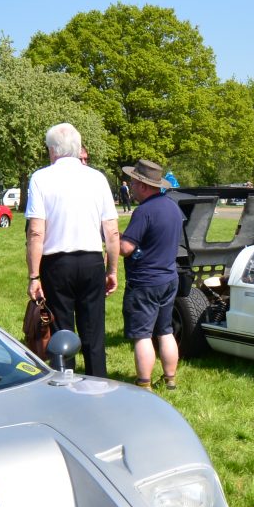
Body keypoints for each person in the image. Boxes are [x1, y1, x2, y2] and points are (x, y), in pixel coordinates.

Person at [25, 122, 120, 377]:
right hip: (91, 261)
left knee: (61, 334)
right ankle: (98, 387)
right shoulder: (97, 178)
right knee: (94, 335)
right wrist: (112, 270)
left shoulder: (41, 178)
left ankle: (66, 388)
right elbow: (111, 231)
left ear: (53, 150)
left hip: (56, 264)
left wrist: (34, 276)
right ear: (78, 149)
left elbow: (36, 231)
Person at [117, 159, 182, 389]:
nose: (131, 187)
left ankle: (144, 384)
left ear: (144, 186)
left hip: (145, 282)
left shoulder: (144, 211)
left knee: (142, 335)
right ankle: (170, 379)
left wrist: (115, 239)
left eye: (134, 183)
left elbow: (126, 249)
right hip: (169, 278)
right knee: (165, 331)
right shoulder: (172, 206)